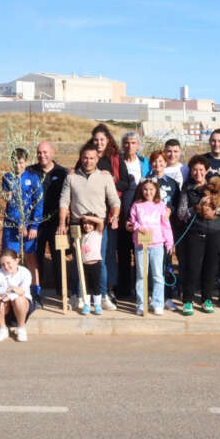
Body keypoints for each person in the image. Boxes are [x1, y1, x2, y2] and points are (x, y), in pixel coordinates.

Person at [57, 143, 120, 310]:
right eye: (85, 158)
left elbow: (114, 200)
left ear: (97, 159)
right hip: (77, 225)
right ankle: (78, 296)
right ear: (81, 158)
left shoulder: (105, 177)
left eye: (92, 158)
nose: (88, 161)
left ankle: (103, 296)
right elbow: (64, 202)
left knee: (99, 261)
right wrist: (62, 223)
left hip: (98, 226)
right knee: (78, 261)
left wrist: (115, 216)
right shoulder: (71, 178)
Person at [177, 157, 220, 315]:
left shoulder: (215, 185)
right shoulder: (187, 188)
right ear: (191, 171)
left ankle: (207, 299)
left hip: (216, 231)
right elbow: (181, 213)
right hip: (195, 232)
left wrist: (214, 207)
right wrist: (197, 206)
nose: (198, 173)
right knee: (193, 266)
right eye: (194, 169)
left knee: (211, 266)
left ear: (206, 171)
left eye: (201, 169)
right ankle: (188, 300)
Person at [90, 124, 129, 304]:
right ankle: (94, 289)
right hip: (91, 213)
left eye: (102, 140)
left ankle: (109, 288)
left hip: (111, 213)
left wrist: (111, 179)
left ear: (108, 140)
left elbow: (125, 184)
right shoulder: (88, 157)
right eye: (96, 140)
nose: (99, 143)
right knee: (92, 252)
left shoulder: (116, 159)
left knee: (108, 253)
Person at [26, 141, 67, 303]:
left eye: (45, 152)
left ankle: (62, 294)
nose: (42, 155)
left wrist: (64, 222)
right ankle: (36, 294)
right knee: (36, 259)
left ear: (52, 153)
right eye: (39, 153)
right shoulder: (30, 171)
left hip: (57, 224)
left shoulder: (62, 173)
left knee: (59, 258)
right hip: (36, 224)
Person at [127, 179, 174, 316]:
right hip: (141, 245)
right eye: (145, 189)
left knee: (158, 275)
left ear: (156, 191)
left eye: (151, 189)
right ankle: (141, 304)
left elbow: (166, 225)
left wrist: (169, 242)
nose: (148, 192)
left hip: (157, 245)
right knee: (141, 275)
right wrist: (138, 227)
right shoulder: (136, 205)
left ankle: (157, 303)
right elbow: (132, 221)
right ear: (141, 190)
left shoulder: (161, 205)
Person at [1, 148, 44, 296]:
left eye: (20, 162)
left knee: (30, 257)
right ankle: (10, 291)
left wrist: (34, 226)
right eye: (15, 162)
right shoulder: (7, 177)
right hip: (11, 226)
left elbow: (38, 204)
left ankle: (35, 292)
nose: (18, 166)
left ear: (26, 162)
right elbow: (10, 203)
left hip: (29, 227)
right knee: (10, 258)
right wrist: (18, 222)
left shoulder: (33, 178)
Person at [116, 131, 150, 301]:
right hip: (121, 209)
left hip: (140, 212)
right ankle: (123, 289)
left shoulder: (144, 162)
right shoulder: (117, 161)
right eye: (127, 143)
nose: (130, 146)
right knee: (123, 252)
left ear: (138, 145)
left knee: (140, 253)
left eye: (133, 143)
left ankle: (141, 291)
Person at [148, 150, 181, 310]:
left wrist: (170, 210)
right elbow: (139, 201)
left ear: (165, 163)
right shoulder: (146, 181)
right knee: (150, 264)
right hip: (150, 230)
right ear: (151, 164)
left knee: (166, 263)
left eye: (161, 161)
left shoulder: (172, 183)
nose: (158, 164)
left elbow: (177, 203)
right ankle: (151, 295)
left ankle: (167, 297)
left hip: (166, 229)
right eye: (155, 161)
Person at [0, 249, 34, 343]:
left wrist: (9, 297)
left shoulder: (25, 272)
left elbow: (22, 291)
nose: (6, 266)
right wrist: (10, 289)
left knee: (19, 299)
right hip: (5, 306)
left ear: (17, 260)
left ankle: (21, 328)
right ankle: (2, 329)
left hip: (22, 306)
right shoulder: (0, 272)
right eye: (3, 264)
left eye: (8, 263)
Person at [78, 215, 105, 315]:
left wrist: (87, 217)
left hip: (95, 265)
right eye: (85, 223)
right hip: (84, 265)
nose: (87, 225)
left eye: (90, 224)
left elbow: (101, 221)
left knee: (96, 285)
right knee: (86, 286)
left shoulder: (97, 233)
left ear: (94, 225)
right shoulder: (82, 236)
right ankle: (87, 305)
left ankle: (97, 305)